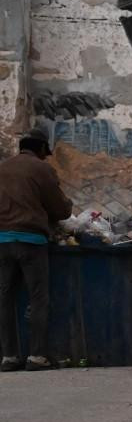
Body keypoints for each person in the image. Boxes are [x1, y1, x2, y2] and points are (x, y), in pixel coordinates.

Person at [0, 128, 73, 372]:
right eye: (45, 152)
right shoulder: (42, 169)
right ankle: (37, 356)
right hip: (32, 241)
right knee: (38, 298)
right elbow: (61, 210)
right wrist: (66, 205)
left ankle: (9, 356)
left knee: (5, 299)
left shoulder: (3, 167)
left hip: (3, 242)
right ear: (41, 148)